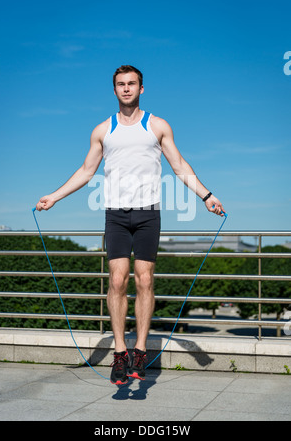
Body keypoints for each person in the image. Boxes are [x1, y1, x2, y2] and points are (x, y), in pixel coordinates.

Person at [35, 64, 225, 385]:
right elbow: (85, 171)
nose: (126, 89)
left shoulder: (158, 125)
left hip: (148, 214)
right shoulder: (102, 131)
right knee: (118, 279)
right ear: (114, 90)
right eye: (121, 84)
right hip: (116, 215)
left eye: (132, 83)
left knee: (144, 279)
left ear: (141, 89)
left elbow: (179, 165)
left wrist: (206, 195)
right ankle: (120, 353)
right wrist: (54, 196)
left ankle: (140, 350)